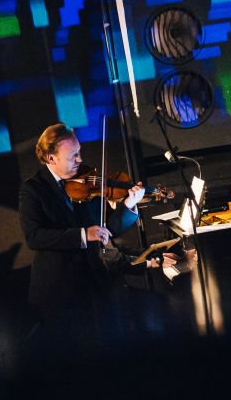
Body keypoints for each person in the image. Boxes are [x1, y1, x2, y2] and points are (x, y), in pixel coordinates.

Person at [19, 123, 171, 333]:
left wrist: (128, 205)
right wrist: (82, 234)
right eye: (73, 156)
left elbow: (107, 230)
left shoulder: (88, 180)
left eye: (79, 152)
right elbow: (34, 237)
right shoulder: (33, 189)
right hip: (60, 291)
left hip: (97, 285)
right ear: (51, 158)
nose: (80, 160)